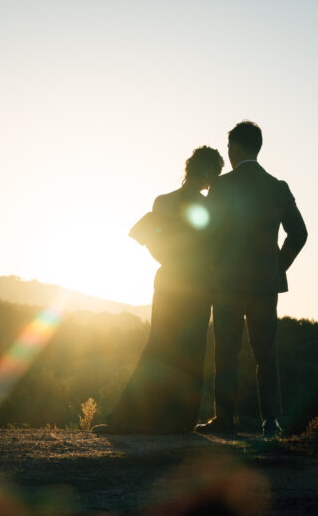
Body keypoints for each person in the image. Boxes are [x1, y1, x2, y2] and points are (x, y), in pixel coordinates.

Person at [94, 146, 224, 434]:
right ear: (207, 173)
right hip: (197, 282)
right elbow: (215, 249)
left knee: (160, 344)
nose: (215, 179)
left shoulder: (163, 201)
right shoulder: (209, 207)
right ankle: (178, 420)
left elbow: (151, 241)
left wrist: (170, 259)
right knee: (191, 348)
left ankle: (136, 416)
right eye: (216, 173)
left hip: (169, 278)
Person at [195, 121, 307, 437]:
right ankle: (270, 420)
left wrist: (212, 265)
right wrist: (277, 266)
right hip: (265, 285)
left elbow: (207, 233)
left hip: (228, 283)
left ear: (236, 147)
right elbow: (299, 233)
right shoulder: (278, 187)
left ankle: (225, 418)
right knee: (266, 352)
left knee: (226, 351)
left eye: (229, 147)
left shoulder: (221, 186)